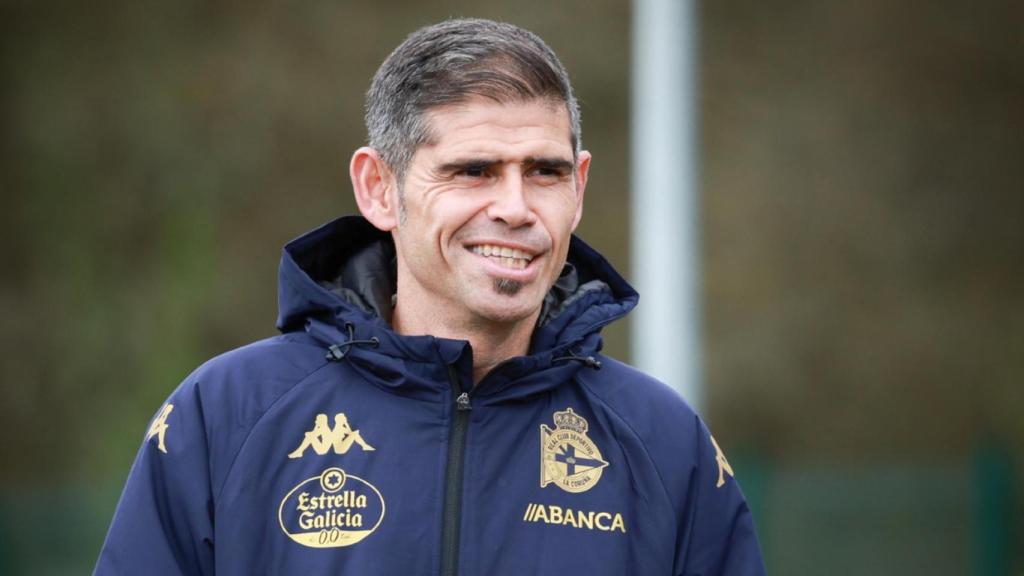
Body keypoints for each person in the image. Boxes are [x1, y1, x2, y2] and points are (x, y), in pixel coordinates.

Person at [94, 18, 766, 576]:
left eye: (545, 172)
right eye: (472, 171)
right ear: (379, 189)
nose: (515, 207)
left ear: (580, 188)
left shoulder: (662, 442)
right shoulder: (226, 418)